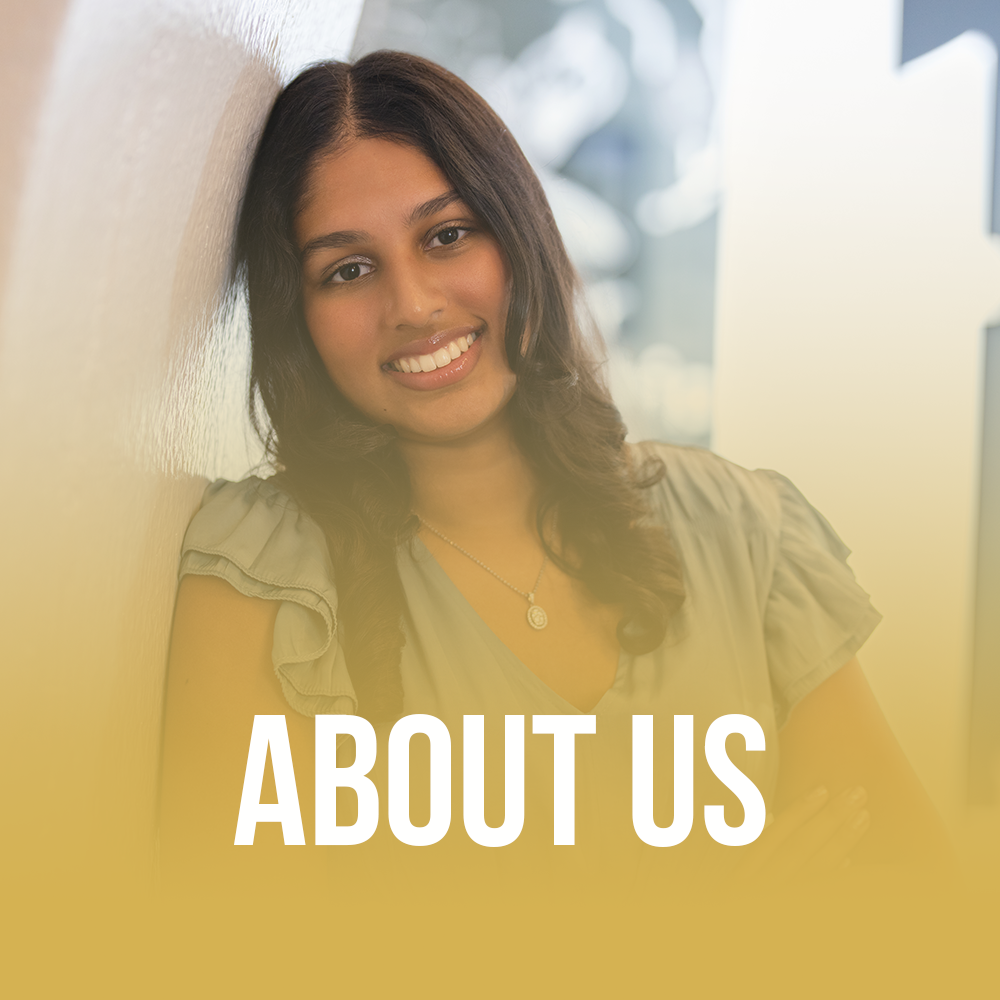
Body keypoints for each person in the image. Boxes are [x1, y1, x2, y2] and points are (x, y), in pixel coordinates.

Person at [159, 51, 948, 882]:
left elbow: (925, 927)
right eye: (348, 270)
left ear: (520, 235)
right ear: (298, 320)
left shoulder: (742, 534)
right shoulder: (261, 579)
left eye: (447, 235)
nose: (415, 304)